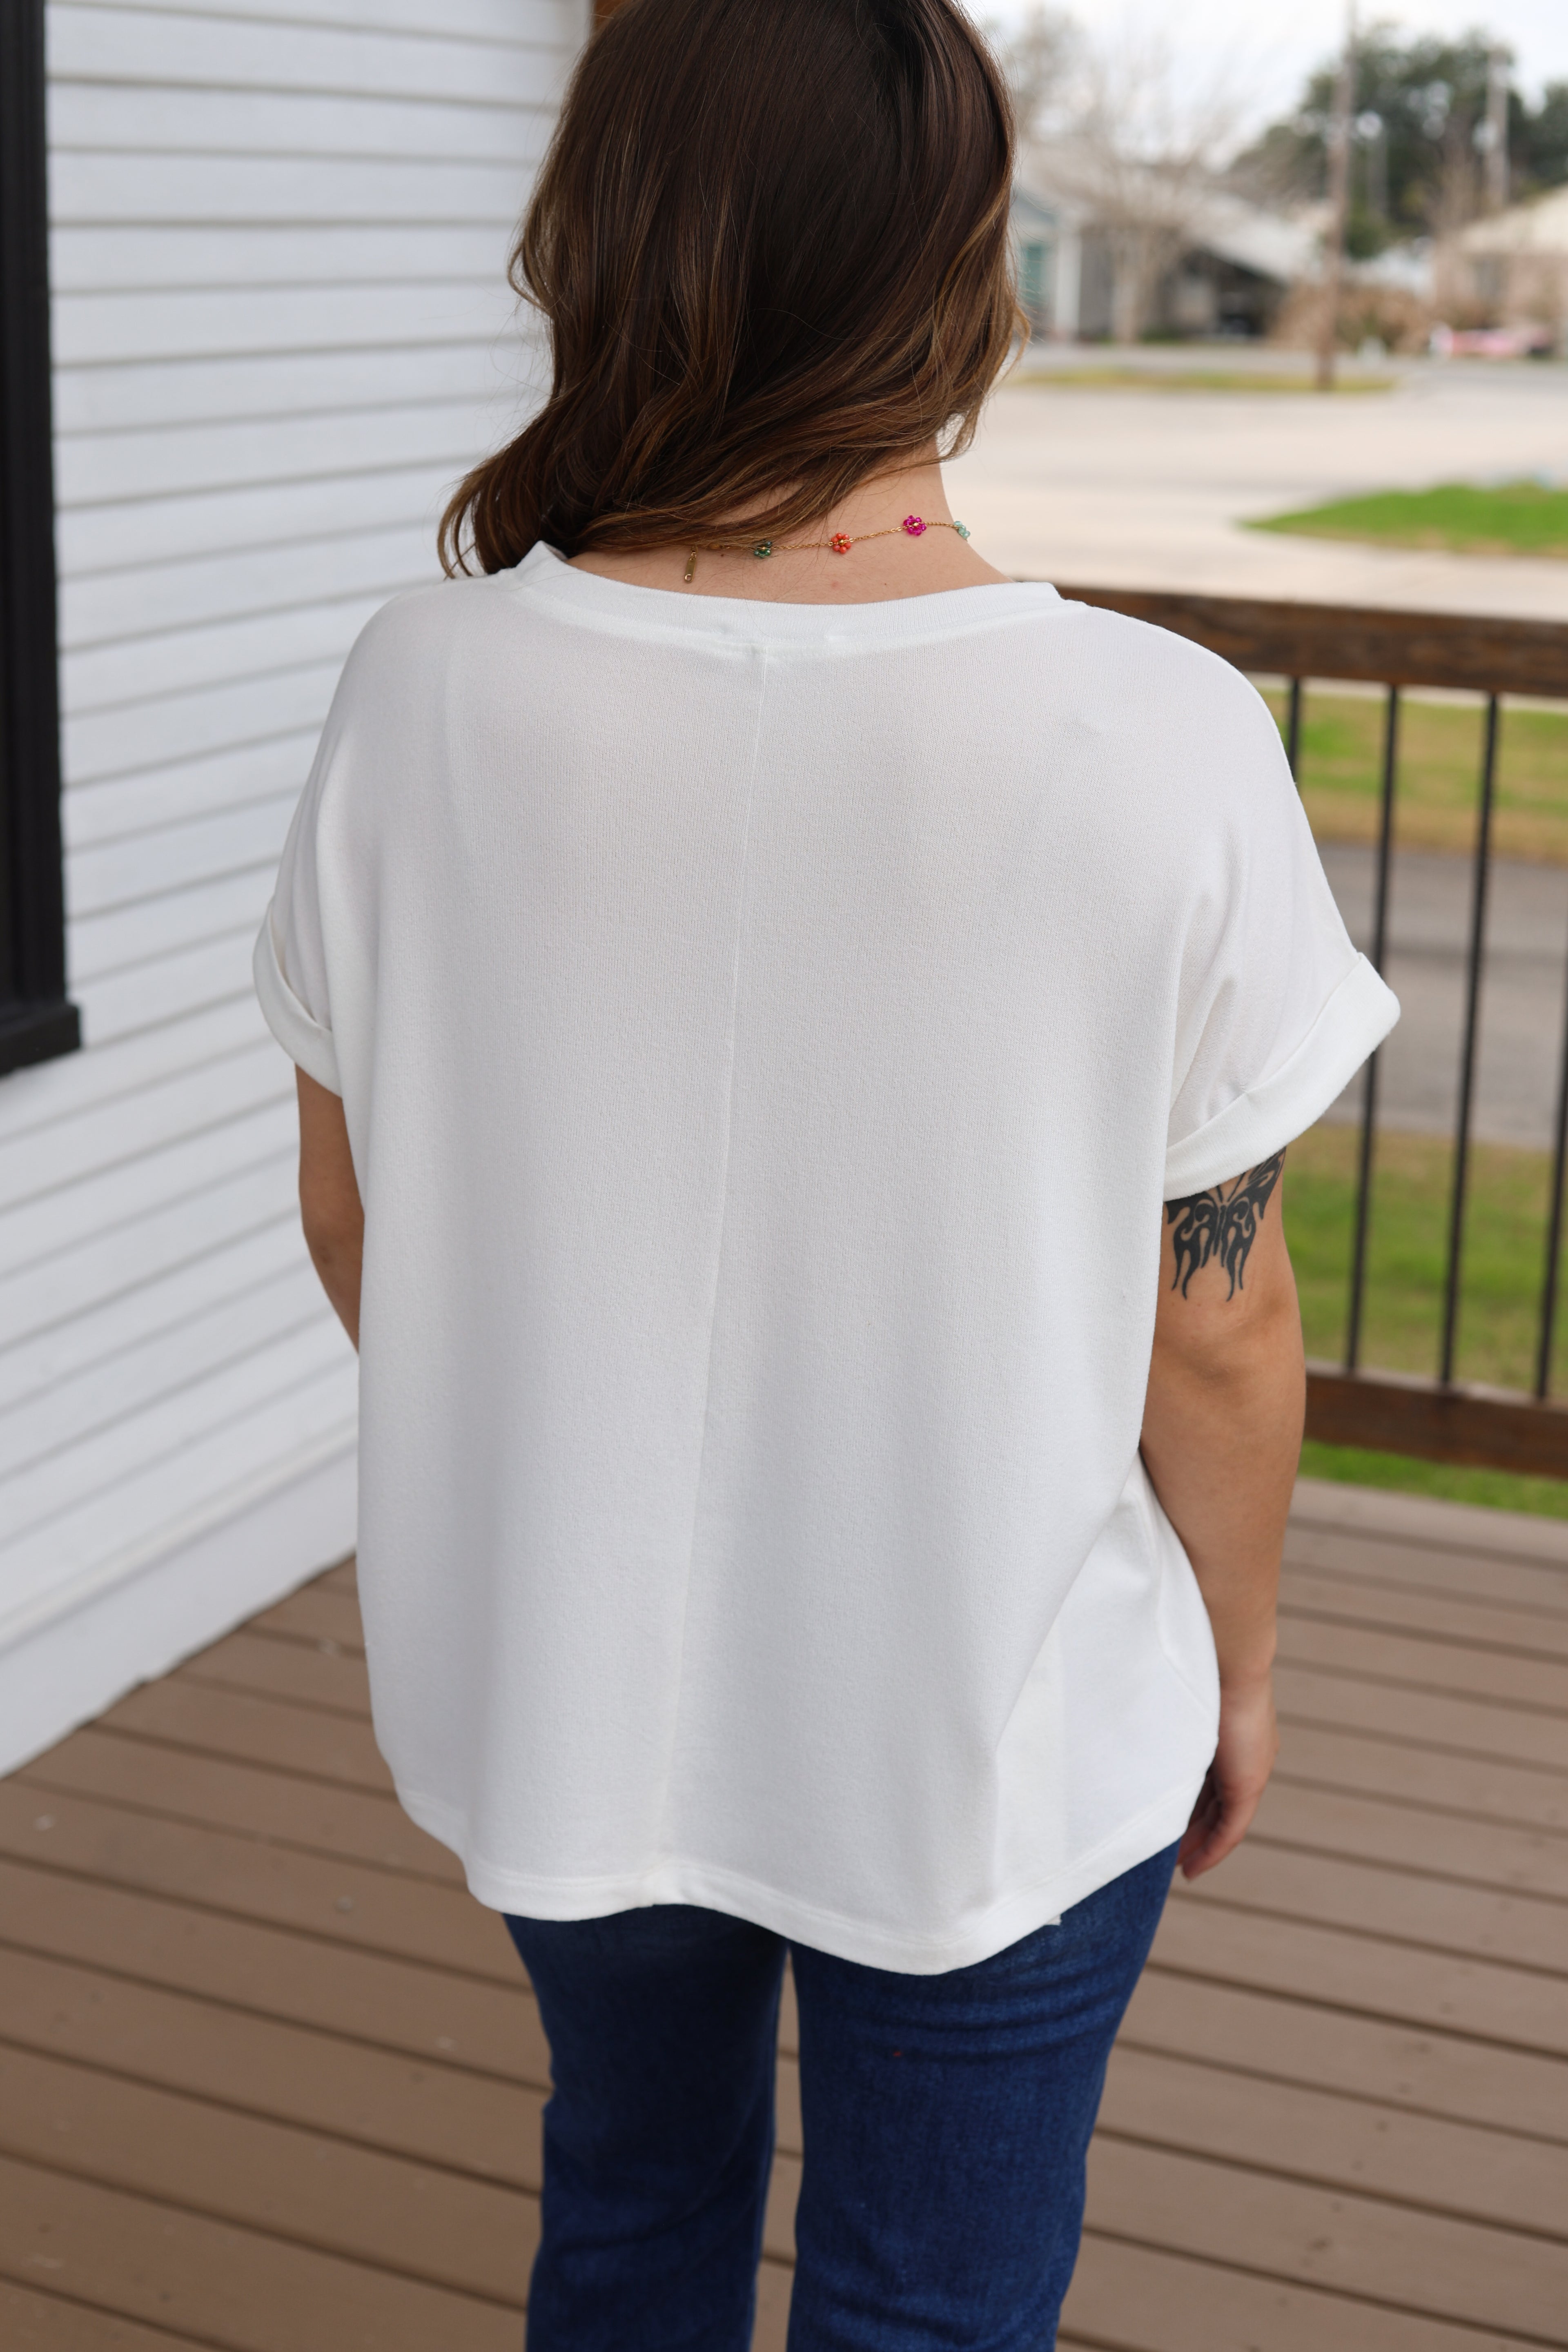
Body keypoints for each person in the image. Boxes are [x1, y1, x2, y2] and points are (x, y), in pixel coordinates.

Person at [253, 0, 1399, 2343]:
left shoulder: (417, 691)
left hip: (565, 1693)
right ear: (963, 271)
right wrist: (1246, 1668)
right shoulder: (1162, 737)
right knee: (929, 2310)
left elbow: (365, 1217)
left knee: (633, 2213)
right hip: (997, 1728)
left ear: (609, 233)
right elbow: (1216, 1328)